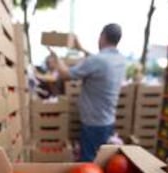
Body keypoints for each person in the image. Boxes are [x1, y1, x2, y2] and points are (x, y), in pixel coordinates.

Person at [49, 23, 126, 161]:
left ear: (102, 37)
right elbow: (98, 61)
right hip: (108, 120)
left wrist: (55, 56)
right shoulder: (120, 59)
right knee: (103, 161)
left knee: (89, 162)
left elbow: (66, 74)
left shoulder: (97, 60)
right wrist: (81, 48)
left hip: (93, 123)